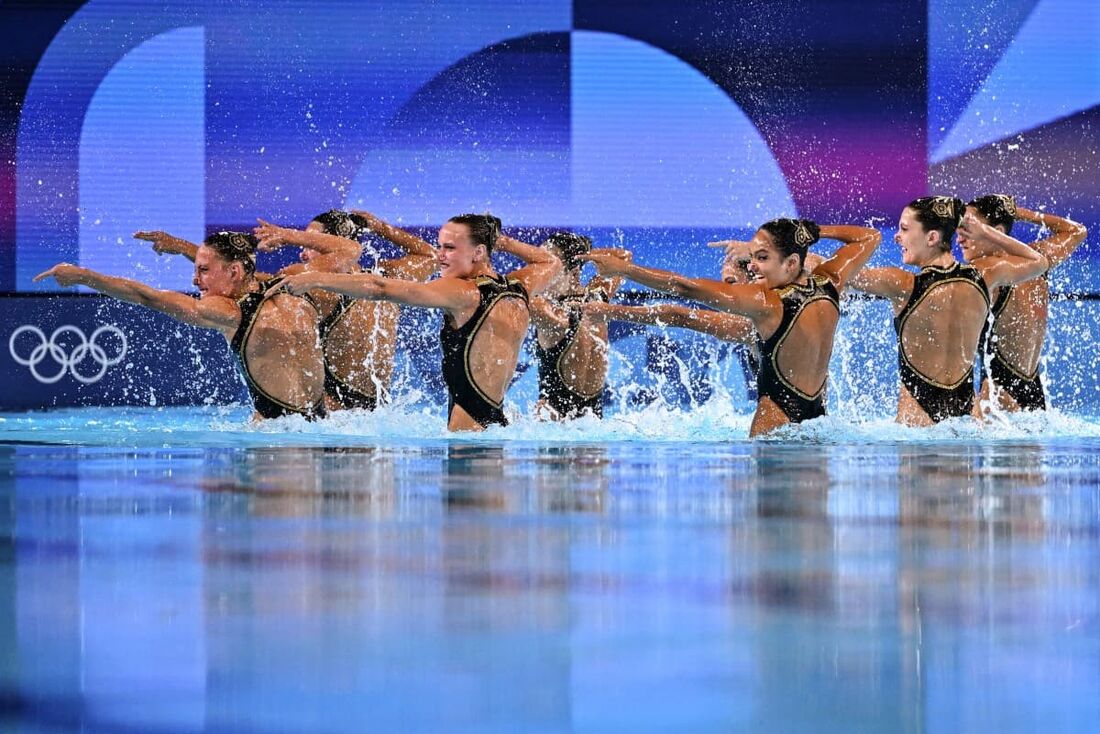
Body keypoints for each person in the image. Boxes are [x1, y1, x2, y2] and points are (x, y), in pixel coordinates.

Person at [583, 219, 881, 436]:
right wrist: (812, 233)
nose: (752, 267)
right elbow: (869, 237)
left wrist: (626, 271)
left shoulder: (766, 305)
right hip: (818, 423)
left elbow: (684, 290)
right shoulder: (832, 282)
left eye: (761, 258)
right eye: (751, 258)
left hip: (773, 423)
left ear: (791, 263)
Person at [281, 213, 561, 431]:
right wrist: (501, 242)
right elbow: (550, 263)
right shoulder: (519, 287)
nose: (440, 255)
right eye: (440, 246)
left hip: (467, 434)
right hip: (496, 423)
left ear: (478, 253)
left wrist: (314, 279)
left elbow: (381, 288)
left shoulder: (464, 293)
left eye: (449, 248)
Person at [136, 209, 436, 411]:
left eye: (312, 242)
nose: (304, 251)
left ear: (335, 244)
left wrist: (182, 248)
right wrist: (377, 226)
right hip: (377, 412)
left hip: (335, 410)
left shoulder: (317, 286)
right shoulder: (390, 279)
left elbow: (252, 283)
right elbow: (429, 254)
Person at [36, 232, 325, 420]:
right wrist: (183, 247)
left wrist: (83, 276)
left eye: (203, 270)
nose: (195, 281)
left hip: (280, 440)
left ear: (235, 272)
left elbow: (147, 296)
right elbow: (349, 250)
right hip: (323, 422)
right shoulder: (296, 286)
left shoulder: (228, 311)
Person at [849, 196, 1049, 425]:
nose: (897, 236)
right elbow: (1039, 262)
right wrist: (985, 232)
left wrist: (865, 240)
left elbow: (837, 274)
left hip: (918, 422)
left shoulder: (902, 284)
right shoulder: (983, 276)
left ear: (932, 237)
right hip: (967, 419)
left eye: (904, 229)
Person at [959, 195, 1087, 413]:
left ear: (996, 232)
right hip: (1033, 391)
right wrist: (1017, 213)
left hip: (997, 395)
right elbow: (1076, 231)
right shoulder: (1036, 260)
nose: (959, 238)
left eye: (969, 228)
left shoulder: (986, 271)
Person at [495, 231, 628, 419]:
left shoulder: (546, 311)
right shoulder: (598, 300)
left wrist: (505, 243)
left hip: (552, 431)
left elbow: (499, 293)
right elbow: (622, 256)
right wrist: (580, 256)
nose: (540, 273)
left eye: (549, 266)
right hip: (594, 434)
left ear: (573, 273)